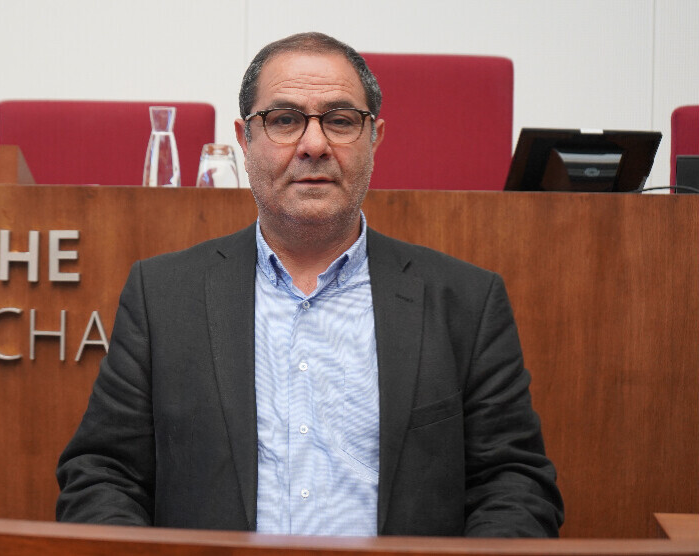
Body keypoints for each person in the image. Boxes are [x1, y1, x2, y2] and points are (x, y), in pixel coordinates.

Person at [56, 32, 563, 537]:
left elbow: (514, 483)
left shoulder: (466, 302)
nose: (314, 145)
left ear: (374, 138)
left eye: (340, 121)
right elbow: (103, 475)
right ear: (244, 139)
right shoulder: (163, 296)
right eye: (284, 120)